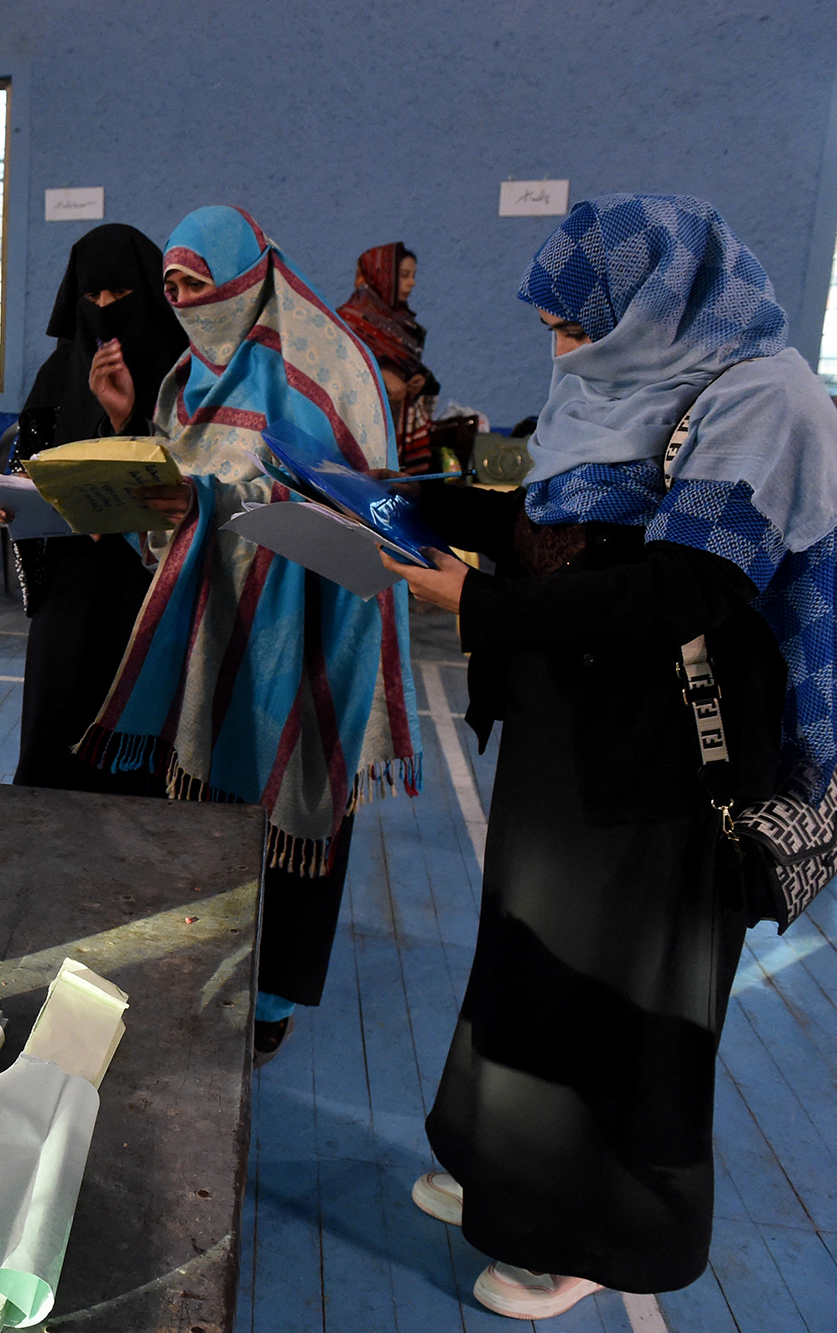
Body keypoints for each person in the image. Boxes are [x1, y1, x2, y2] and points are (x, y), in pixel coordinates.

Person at [390, 195, 835, 1319]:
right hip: (568, 744)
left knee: (622, 998)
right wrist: (405, 506)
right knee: (529, 958)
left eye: (577, 328)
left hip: (668, 768)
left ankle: (597, 1231)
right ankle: (505, 1161)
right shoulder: (618, 386)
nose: (562, 351)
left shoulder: (763, 397)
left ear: (656, 302)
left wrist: (479, 607)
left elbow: (685, 584)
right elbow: (564, 530)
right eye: (555, 328)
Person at [79, 206, 421, 1059]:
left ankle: (270, 1002)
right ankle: (208, 966)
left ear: (249, 274)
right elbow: (167, 523)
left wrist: (229, 504)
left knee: (293, 804)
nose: (191, 303)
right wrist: (132, 467)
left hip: (303, 628)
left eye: (202, 284)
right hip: (212, 623)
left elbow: (367, 511)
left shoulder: (328, 366)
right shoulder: (183, 382)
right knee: (209, 815)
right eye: (176, 290)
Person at [0, 223, 189, 794]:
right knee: (56, 729)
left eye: (119, 297)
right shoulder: (59, 371)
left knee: (133, 747)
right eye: (92, 297)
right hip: (70, 588)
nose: (104, 311)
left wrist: (126, 423)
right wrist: (14, 502)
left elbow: (190, 473)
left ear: (147, 296)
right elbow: (30, 458)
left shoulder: (180, 372)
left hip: (144, 590)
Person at [337, 243, 440, 469]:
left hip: (399, 432)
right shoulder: (346, 322)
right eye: (403, 276)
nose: (411, 283)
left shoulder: (404, 325)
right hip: (359, 432)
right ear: (381, 277)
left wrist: (420, 379)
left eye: (413, 275)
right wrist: (378, 375)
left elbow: (413, 366)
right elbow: (337, 371)